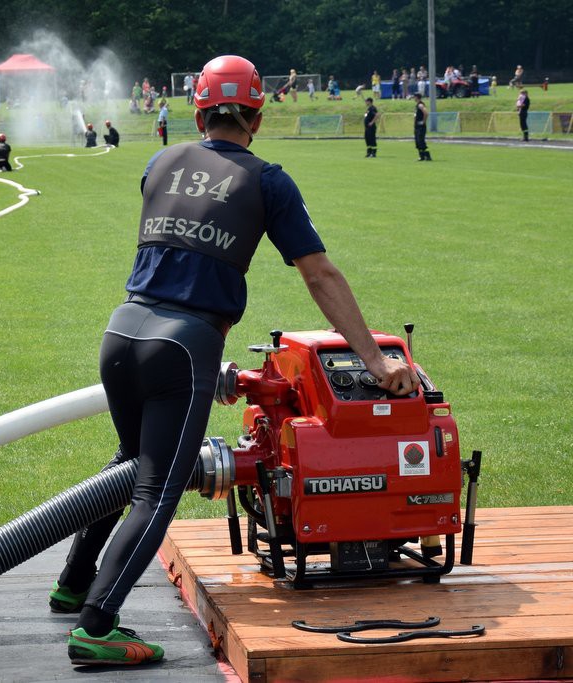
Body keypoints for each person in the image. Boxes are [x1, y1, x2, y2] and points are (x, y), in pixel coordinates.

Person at [51, 54, 419, 668]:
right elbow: (319, 273)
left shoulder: (158, 161)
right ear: (257, 115)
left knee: (128, 464)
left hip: (122, 332)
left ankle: (73, 583)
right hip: (184, 343)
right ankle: (96, 624)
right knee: (156, 490)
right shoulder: (267, 180)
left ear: (198, 109)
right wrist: (376, 360)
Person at [414, 92, 431, 161]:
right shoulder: (417, 105)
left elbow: (426, 113)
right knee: (418, 141)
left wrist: (423, 121)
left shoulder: (420, 105)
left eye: (414, 97)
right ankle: (422, 156)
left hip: (420, 126)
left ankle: (427, 156)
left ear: (417, 97)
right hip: (417, 126)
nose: (413, 98)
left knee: (421, 141)